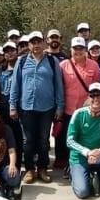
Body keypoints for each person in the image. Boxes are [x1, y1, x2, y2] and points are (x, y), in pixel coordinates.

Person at [10, 31, 64, 184]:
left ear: (43, 43)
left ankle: (42, 168)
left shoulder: (52, 62)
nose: (36, 45)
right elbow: (15, 85)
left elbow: (58, 86)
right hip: (26, 107)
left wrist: (60, 106)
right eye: (33, 42)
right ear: (29, 45)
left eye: (39, 41)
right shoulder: (21, 62)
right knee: (28, 141)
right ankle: (29, 169)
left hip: (47, 108)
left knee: (43, 140)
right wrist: (12, 106)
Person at [56, 36, 100, 178]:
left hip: (86, 110)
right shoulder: (63, 65)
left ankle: (82, 165)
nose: (78, 51)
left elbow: (98, 89)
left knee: (83, 138)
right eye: (75, 48)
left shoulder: (93, 66)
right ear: (70, 50)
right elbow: (58, 87)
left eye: (81, 48)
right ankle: (68, 165)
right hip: (67, 109)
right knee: (67, 138)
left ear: (85, 50)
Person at [65, 83, 100, 199]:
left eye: (99, 95)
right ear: (88, 98)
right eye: (93, 95)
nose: (96, 99)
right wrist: (87, 152)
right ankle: (73, 173)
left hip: (98, 156)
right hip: (80, 157)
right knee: (83, 193)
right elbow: (69, 141)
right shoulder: (79, 114)